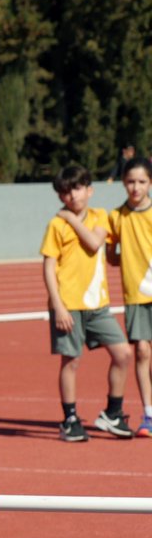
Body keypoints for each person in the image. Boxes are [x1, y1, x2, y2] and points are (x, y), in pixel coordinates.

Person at [40, 165, 132, 442]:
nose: (72, 196)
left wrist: (70, 218)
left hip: (98, 306)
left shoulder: (99, 216)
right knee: (71, 362)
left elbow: (94, 243)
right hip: (68, 305)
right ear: (60, 196)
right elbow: (48, 266)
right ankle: (70, 419)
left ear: (89, 190)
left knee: (123, 353)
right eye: (66, 192)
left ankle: (112, 413)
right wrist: (58, 306)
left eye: (77, 189)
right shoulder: (55, 226)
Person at [106, 156, 152, 437]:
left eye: (142, 182)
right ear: (123, 183)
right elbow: (112, 255)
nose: (135, 188)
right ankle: (148, 414)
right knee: (143, 351)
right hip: (136, 294)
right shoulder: (117, 217)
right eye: (130, 182)